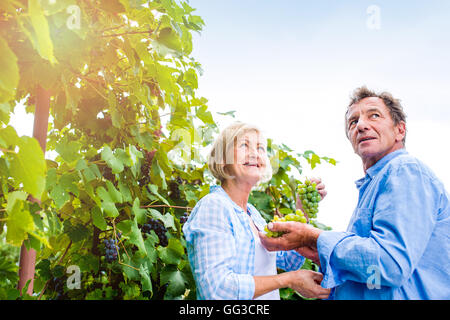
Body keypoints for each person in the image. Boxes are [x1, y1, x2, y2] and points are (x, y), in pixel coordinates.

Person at [260, 86, 450, 299]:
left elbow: (390, 264)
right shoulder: (377, 184)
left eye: (374, 116)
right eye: (353, 122)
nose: (361, 125)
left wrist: (316, 236)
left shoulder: (404, 170)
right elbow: (375, 276)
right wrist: (320, 251)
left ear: (400, 130)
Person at [182, 122, 330, 300]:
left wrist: (302, 211)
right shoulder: (214, 207)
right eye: (244, 145)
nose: (254, 153)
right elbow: (217, 290)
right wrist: (289, 280)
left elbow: (288, 262)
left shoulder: (253, 216)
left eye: (260, 148)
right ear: (222, 159)